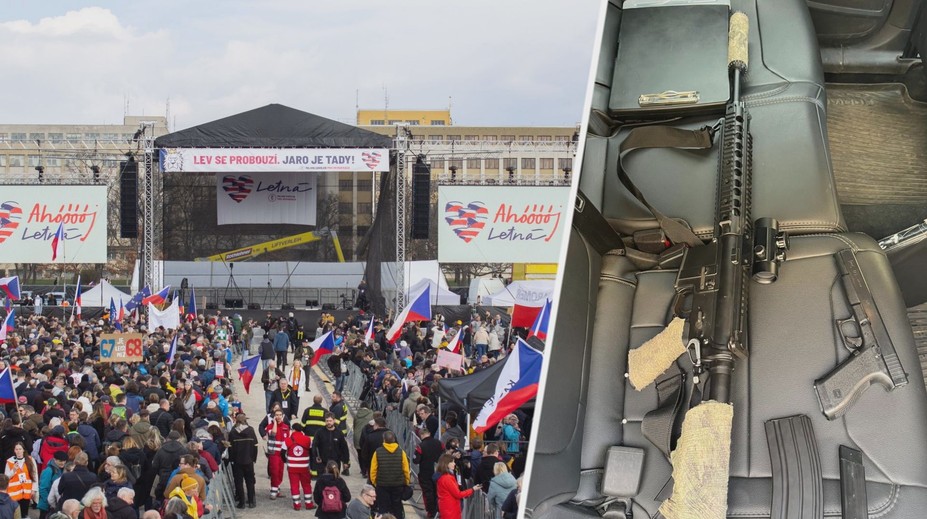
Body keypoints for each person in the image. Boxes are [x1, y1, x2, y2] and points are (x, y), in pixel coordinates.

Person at [369, 431, 410, 519]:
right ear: (394, 439)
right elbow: (406, 469)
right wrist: (406, 482)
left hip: (382, 485)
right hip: (398, 484)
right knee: (397, 506)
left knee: (383, 507)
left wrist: (375, 482)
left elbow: (373, 470)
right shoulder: (401, 452)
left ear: (384, 440)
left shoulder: (377, 452)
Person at [227, 413, 258, 509]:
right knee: (250, 481)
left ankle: (242, 502)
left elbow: (230, 448)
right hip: (249, 460)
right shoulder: (250, 430)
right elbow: (255, 445)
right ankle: (251, 501)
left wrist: (231, 459)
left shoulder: (233, 432)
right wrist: (254, 458)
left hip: (237, 461)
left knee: (238, 482)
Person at [413, 427, 442, 519]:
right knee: (438, 492)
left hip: (425, 473)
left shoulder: (420, 446)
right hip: (439, 472)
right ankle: (439, 510)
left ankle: (431, 512)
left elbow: (415, 461)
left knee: (428, 493)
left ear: (421, 435)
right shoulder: (439, 443)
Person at [284, 423, 314, 510]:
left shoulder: (287, 440)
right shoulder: (308, 439)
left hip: (292, 467)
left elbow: (282, 453)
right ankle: (309, 504)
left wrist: (286, 461)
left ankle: (297, 505)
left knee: (294, 486)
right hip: (304, 467)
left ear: (293, 430)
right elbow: (312, 453)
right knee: (306, 485)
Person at [435, 454, 474, 519]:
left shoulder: (444, 476)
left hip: (448, 508)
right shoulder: (447, 478)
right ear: (446, 463)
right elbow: (458, 494)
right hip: (450, 509)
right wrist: (472, 489)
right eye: (452, 462)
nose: (454, 464)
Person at [311, 413, 350, 479]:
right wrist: (316, 456)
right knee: (322, 480)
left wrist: (346, 461)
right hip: (322, 462)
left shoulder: (339, 433)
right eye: (327, 421)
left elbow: (344, 448)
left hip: (335, 462)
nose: (328, 422)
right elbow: (315, 445)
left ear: (334, 421)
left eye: (330, 421)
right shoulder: (319, 432)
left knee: (335, 480)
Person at [4, 442, 37, 518]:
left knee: (24, 513)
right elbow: (6, 477)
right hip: (14, 492)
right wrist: (13, 471)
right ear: (14, 450)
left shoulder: (30, 460)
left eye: (20, 449)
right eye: (16, 449)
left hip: (26, 491)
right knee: (14, 514)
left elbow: (35, 475)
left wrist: (34, 489)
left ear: (23, 450)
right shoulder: (10, 461)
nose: (18, 451)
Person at [265, 408, 289, 499]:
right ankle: (273, 491)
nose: (278, 417)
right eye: (276, 415)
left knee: (280, 472)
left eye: (280, 415)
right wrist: (275, 422)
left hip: (282, 454)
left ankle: (277, 489)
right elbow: (273, 433)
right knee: (274, 472)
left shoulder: (286, 427)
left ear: (283, 416)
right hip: (274, 453)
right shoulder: (270, 426)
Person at [38, 451, 67, 519]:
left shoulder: (62, 469)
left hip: (54, 504)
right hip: (47, 506)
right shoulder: (49, 471)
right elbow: (43, 488)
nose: (63, 463)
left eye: (64, 461)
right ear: (54, 459)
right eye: (60, 461)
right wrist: (49, 502)